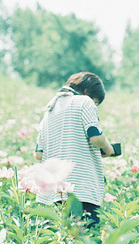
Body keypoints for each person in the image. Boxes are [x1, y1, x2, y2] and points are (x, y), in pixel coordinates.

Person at [34, 72, 115, 228]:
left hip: (55, 192)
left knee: (63, 242)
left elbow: (39, 154)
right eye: (96, 102)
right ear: (88, 92)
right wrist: (108, 148)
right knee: (86, 243)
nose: (95, 105)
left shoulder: (49, 110)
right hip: (82, 189)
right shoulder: (85, 102)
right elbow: (95, 137)